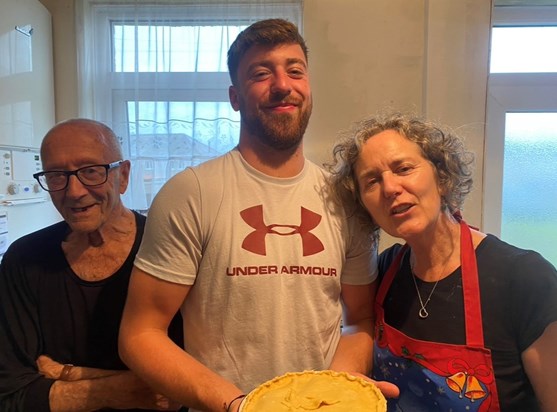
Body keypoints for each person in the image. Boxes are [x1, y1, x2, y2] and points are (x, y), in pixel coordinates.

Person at [118, 18, 397, 412]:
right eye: (261, 73)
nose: (282, 84)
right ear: (234, 97)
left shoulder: (344, 199)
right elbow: (140, 334)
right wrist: (240, 406)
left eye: (294, 70)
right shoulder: (191, 193)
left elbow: (359, 320)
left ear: (309, 87)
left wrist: (337, 393)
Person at [326, 112, 557, 411]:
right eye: (372, 181)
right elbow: (357, 326)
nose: (390, 188)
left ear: (442, 178)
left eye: (404, 168)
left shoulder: (524, 279)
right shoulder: (385, 270)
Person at [0, 118, 184, 411]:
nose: (74, 191)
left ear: (122, 176)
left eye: (90, 171)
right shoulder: (24, 259)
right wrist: (125, 390)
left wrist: (66, 375)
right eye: (56, 176)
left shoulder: (171, 249)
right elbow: (11, 394)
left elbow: (177, 390)